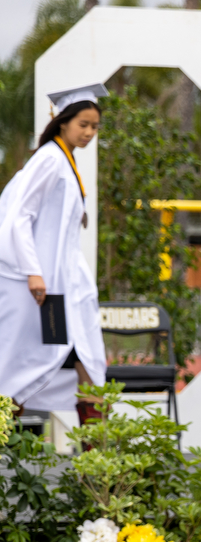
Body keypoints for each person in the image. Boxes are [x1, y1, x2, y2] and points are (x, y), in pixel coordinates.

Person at [0, 83, 108, 420]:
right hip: (41, 291)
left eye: (94, 127)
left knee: (87, 361)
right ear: (63, 122)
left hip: (65, 292)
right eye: (83, 125)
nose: (89, 133)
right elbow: (18, 216)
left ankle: (97, 469)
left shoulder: (65, 160)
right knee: (23, 367)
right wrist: (34, 271)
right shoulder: (49, 159)